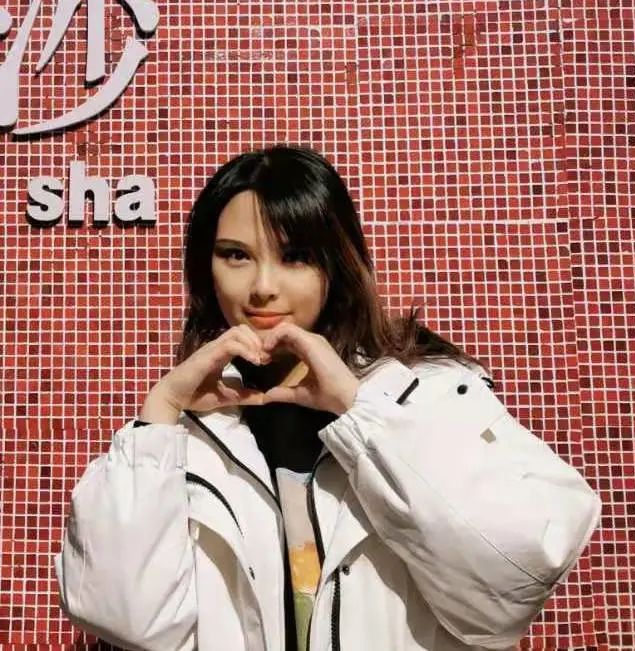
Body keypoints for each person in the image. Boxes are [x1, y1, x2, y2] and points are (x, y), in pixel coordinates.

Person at [54, 144, 602, 651]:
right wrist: (159, 415)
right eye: (236, 255)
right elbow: (127, 620)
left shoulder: (428, 393)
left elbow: (511, 584)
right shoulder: (181, 436)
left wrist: (364, 414)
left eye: (294, 256)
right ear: (206, 269)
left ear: (335, 266)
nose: (263, 286)